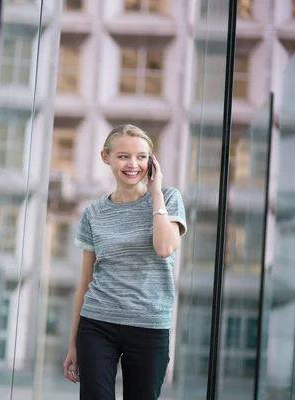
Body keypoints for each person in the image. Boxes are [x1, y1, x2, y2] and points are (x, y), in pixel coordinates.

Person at [62, 124, 187, 400]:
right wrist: (73, 344)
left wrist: (155, 194)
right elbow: (85, 281)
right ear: (105, 157)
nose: (133, 164)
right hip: (97, 323)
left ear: (151, 161)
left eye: (141, 157)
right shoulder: (93, 212)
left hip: (149, 325)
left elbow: (165, 247)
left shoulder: (168, 199)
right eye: (123, 156)